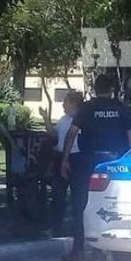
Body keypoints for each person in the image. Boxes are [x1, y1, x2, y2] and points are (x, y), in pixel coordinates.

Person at [61, 74, 131, 261]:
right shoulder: (121, 109)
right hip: (113, 164)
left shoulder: (87, 108)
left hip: (87, 161)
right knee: (109, 204)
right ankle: (99, 250)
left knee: (81, 203)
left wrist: (64, 160)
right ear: (112, 90)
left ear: (95, 88)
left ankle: (78, 250)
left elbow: (72, 133)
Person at [48, 90, 83, 236]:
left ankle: (77, 227)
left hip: (75, 157)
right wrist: (45, 118)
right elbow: (54, 134)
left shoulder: (81, 120)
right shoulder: (63, 119)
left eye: (66, 101)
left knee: (77, 194)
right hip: (60, 155)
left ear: (74, 104)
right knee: (57, 194)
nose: (63, 104)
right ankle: (57, 226)